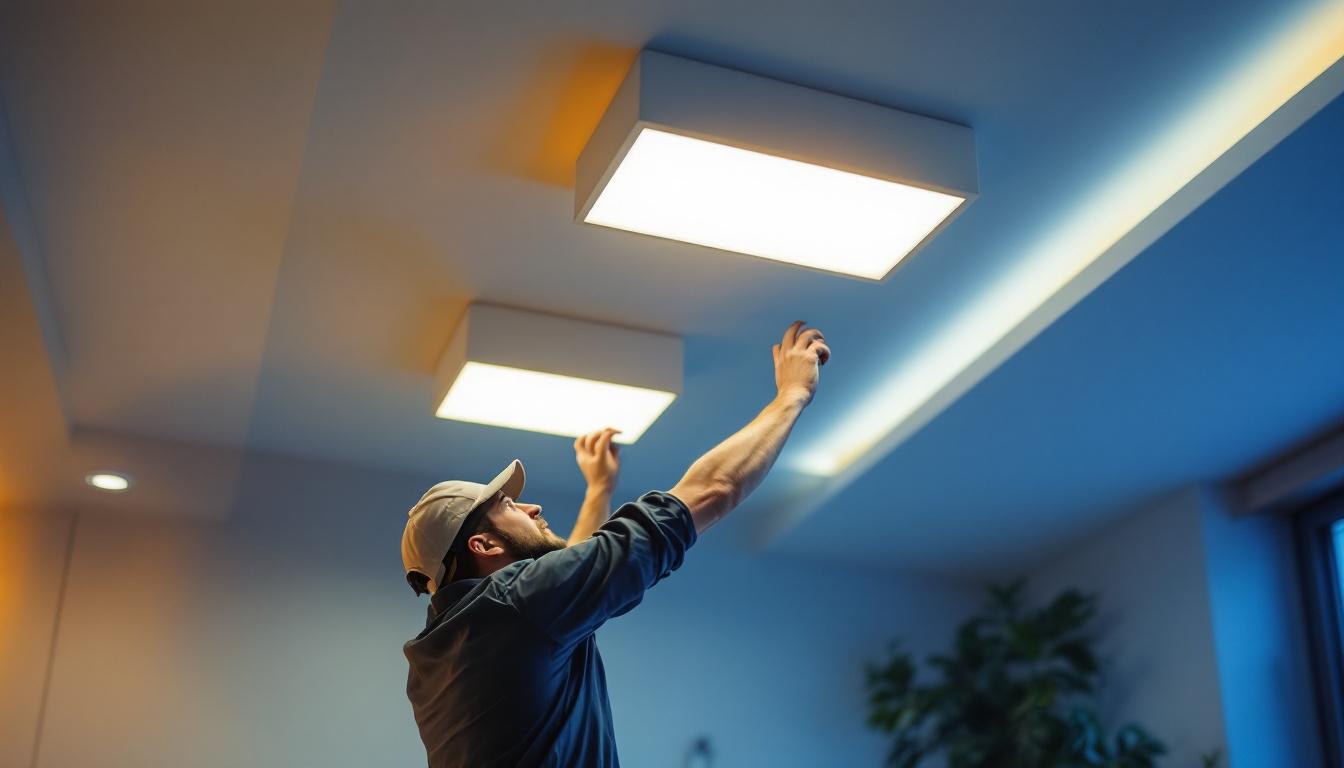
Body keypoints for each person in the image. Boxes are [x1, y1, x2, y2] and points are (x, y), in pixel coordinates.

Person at [400, 321, 830, 767]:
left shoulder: (436, 659)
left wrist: (598, 490)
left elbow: (564, 578)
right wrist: (791, 396)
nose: (532, 508)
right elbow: (710, 492)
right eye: (510, 505)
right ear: (484, 544)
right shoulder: (516, 607)